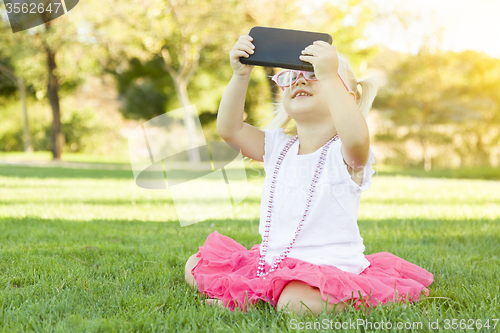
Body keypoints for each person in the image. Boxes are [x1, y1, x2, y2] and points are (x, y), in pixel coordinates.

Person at [184, 34, 433, 316]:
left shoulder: (346, 154)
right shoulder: (277, 146)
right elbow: (230, 129)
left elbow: (357, 135)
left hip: (328, 267)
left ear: (346, 99)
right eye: (292, 76)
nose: (300, 80)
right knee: (195, 265)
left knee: (297, 302)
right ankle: (263, 296)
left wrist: (329, 75)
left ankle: (257, 303)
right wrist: (240, 75)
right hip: (273, 262)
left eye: (315, 74)